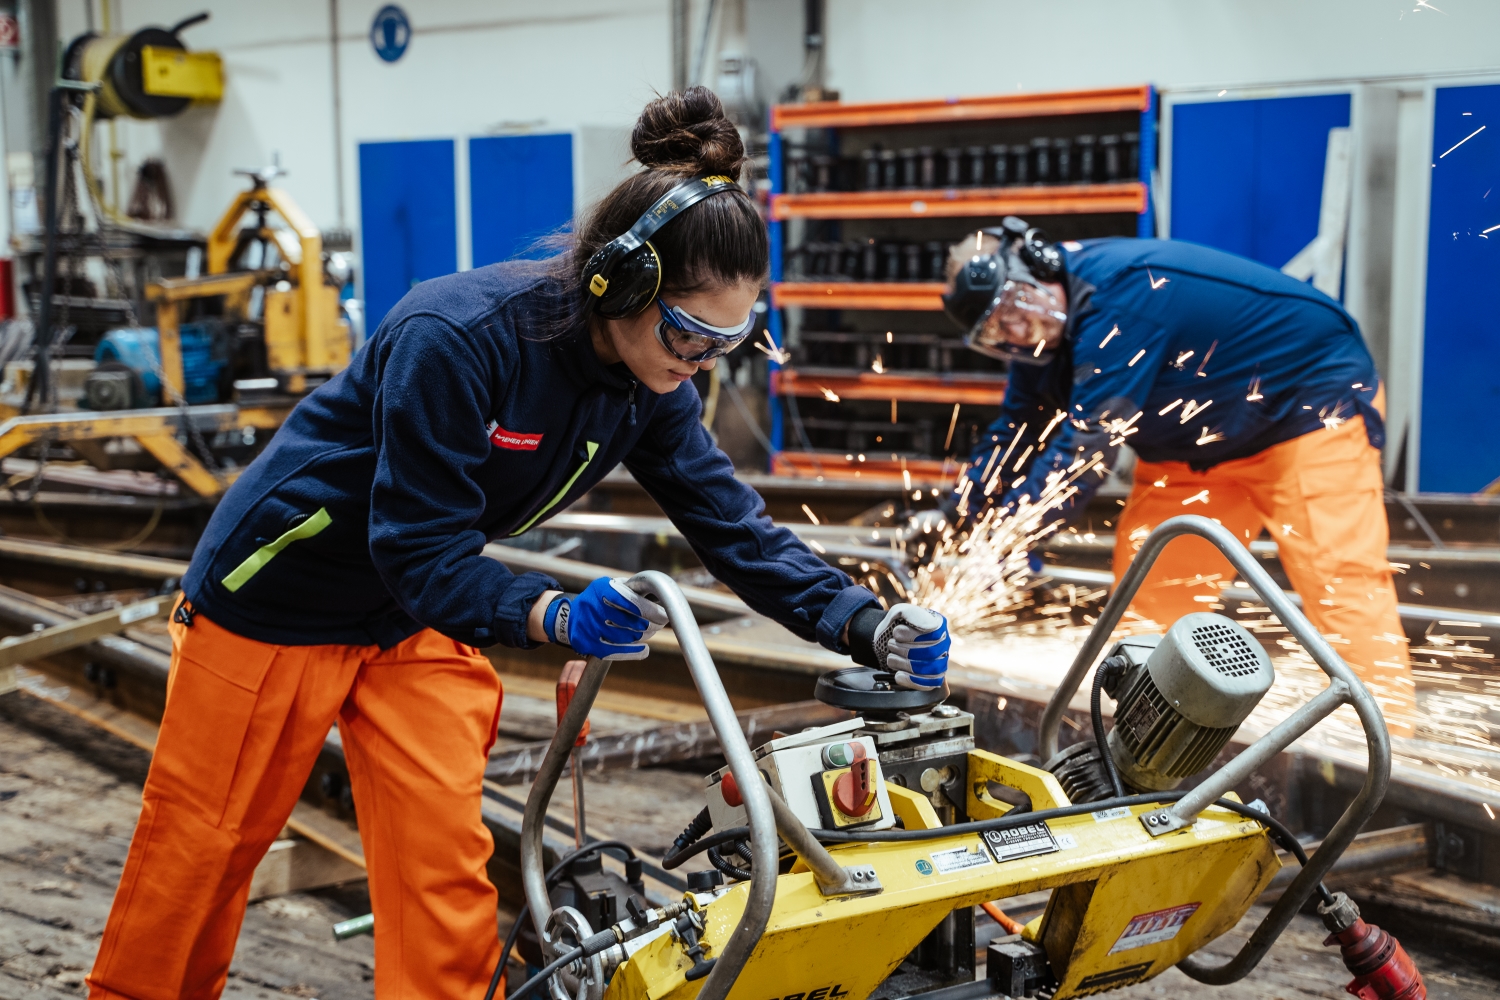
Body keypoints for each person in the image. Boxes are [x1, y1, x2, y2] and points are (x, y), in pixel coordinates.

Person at [87, 88, 951, 999]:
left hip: (407, 615)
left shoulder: (650, 386)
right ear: (623, 282)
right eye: (691, 332)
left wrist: (859, 619)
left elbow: (731, 524)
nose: (701, 361)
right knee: (203, 851)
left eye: (727, 341)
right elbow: (417, 543)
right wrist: (546, 613)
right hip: (277, 601)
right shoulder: (456, 338)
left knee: (441, 861)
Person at [939, 218, 1415, 734]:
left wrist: (1006, 545)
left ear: (1038, 266)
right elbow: (1014, 433)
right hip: (1195, 449)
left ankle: (1384, 740)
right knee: (1151, 599)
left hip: (1307, 412)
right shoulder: (1037, 347)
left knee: (1339, 581)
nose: (1015, 330)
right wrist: (953, 521)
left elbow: (1085, 450)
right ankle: (1143, 739)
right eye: (996, 328)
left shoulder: (1123, 295)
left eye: (1015, 308)